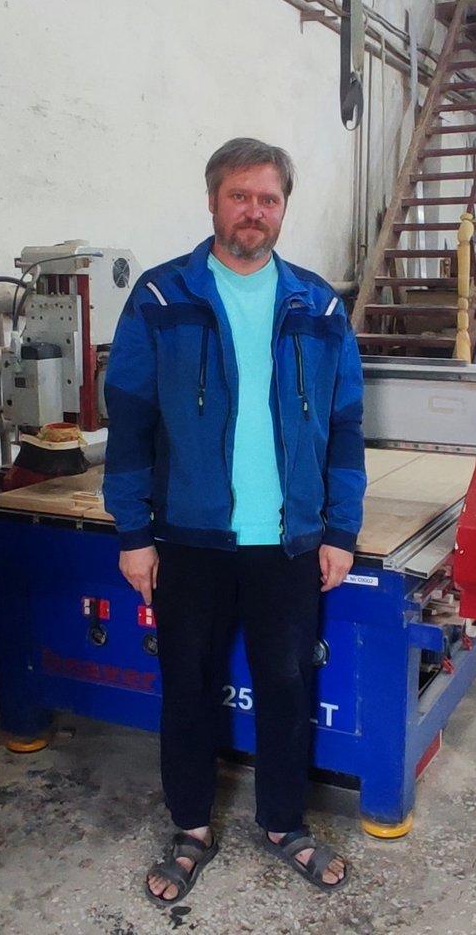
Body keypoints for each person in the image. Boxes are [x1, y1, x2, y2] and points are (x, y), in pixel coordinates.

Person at [103, 137, 366, 904]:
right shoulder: (161, 298)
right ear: (213, 200)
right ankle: (190, 828)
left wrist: (340, 531)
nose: (254, 211)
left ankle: (283, 823)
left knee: (285, 685)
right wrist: (133, 533)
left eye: (268, 198)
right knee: (186, 686)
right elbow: (130, 421)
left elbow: (345, 426)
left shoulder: (318, 306)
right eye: (239, 195)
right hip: (189, 540)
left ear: (283, 208)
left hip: (287, 543)